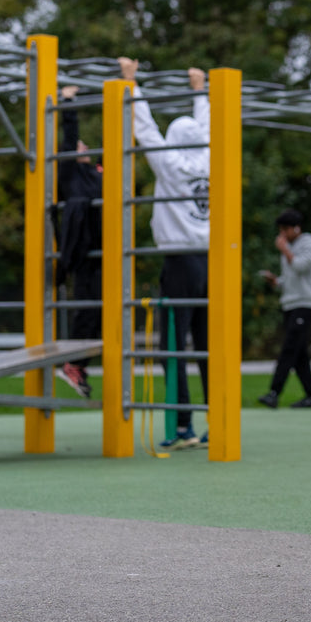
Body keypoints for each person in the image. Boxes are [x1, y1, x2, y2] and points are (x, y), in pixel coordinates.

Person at [117, 58, 210, 449]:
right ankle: (216, 421)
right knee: (208, 345)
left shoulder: (170, 162)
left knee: (173, 345)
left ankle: (182, 425)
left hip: (179, 260)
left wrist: (130, 83)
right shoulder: (209, 156)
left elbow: (145, 129)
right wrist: (200, 90)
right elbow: (207, 127)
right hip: (210, 259)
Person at [54, 84, 103, 398]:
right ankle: (74, 363)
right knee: (89, 307)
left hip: (107, 250)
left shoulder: (97, 173)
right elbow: (70, 138)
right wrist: (67, 102)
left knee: (101, 310)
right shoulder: (70, 172)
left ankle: (80, 364)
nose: (83, 146)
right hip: (86, 251)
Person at [258, 209, 311, 409]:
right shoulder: (291, 246)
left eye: (285, 229)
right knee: (299, 353)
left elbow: (300, 266)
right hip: (289, 303)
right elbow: (291, 277)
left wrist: (286, 250)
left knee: (289, 349)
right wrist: (276, 281)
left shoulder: (309, 243)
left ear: (295, 228)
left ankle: (274, 392)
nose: (282, 234)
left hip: (305, 303)